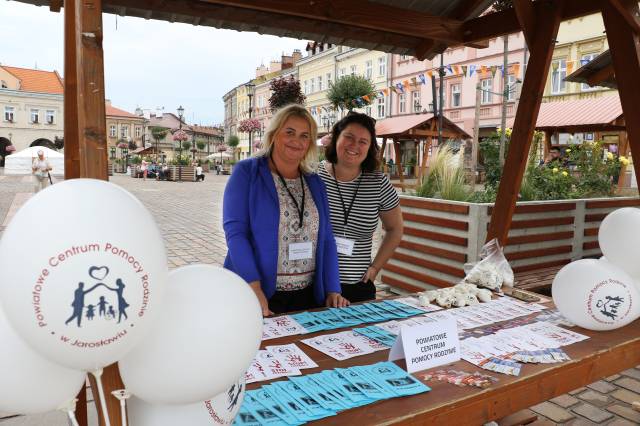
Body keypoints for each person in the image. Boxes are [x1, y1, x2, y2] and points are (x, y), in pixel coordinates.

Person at [223, 104, 348, 316]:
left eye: (304, 136)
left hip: (308, 296)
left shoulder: (315, 182)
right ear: (274, 134)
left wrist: (333, 289)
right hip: (261, 293)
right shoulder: (247, 173)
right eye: (289, 132)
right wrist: (254, 288)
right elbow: (236, 234)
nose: (296, 141)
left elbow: (327, 239)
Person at [319, 112, 403, 303]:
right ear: (336, 138)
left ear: (369, 147)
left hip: (359, 285)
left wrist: (375, 268)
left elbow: (395, 229)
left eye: (363, 141)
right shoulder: (315, 177)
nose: (354, 146)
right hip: (316, 285)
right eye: (348, 137)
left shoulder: (378, 182)